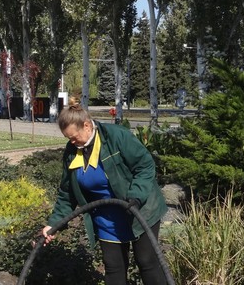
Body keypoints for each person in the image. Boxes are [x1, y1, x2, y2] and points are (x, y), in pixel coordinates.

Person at [41, 96, 168, 285]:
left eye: (74, 137)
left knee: (147, 262)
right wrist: (54, 223)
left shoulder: (116, 137)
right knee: (114, 268)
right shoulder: (72, 151)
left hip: (140, 210)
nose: (72, 142)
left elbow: (145, 166)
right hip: (106, 218)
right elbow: (67, 193)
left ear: (86, 125)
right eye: (68, 139)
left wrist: (136, 196)